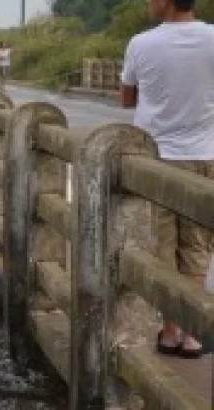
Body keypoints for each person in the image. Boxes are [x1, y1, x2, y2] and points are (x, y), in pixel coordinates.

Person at [120, 0, 214, 359]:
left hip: (155, 157)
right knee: (195, 249)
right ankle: (191, 334)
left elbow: (126, 99)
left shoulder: (141, 43)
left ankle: (170, 330)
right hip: (204, 156)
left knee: (159, 249)